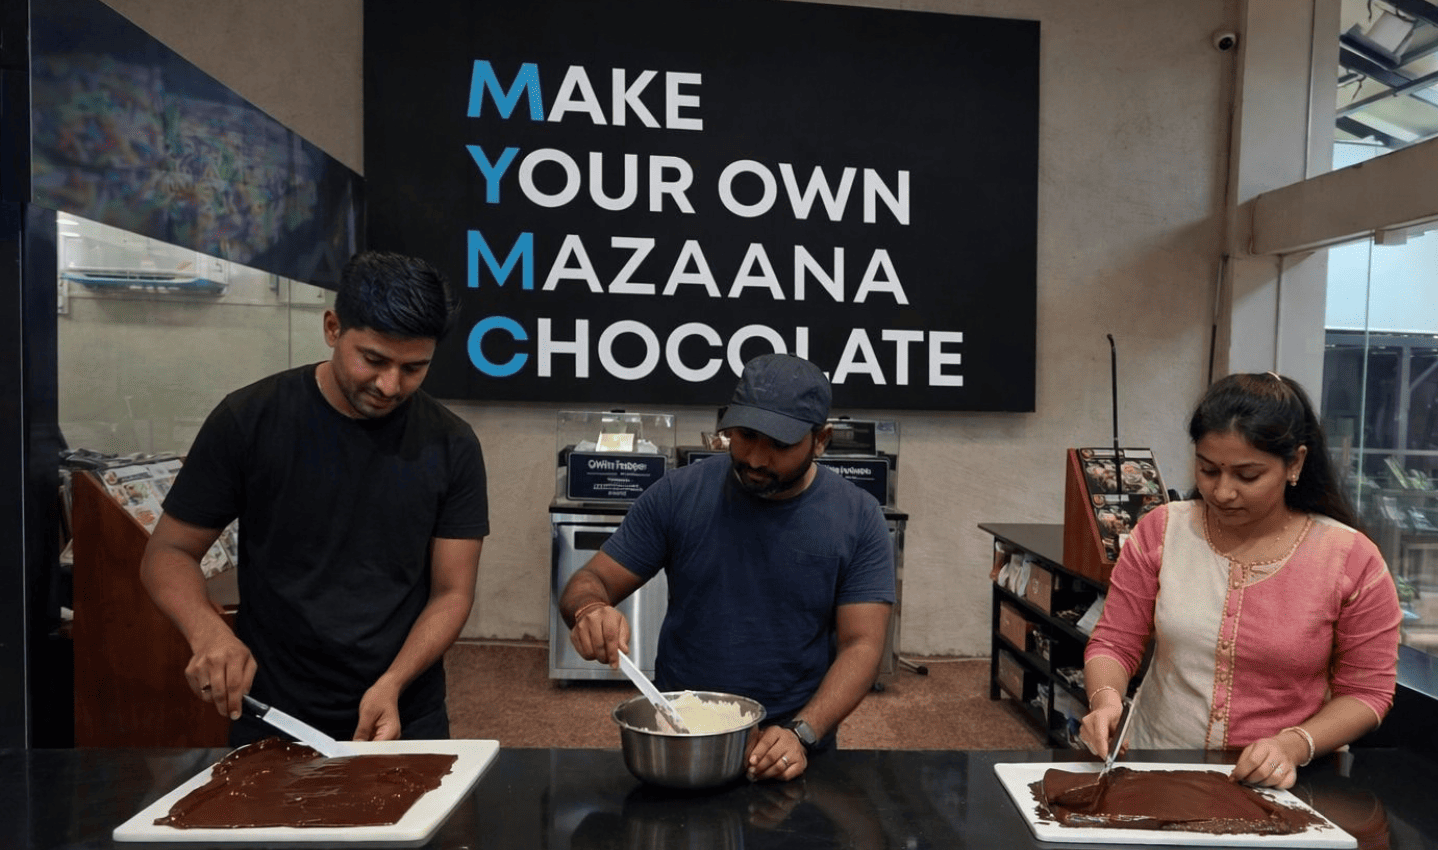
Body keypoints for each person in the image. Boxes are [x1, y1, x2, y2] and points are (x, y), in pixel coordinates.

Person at [140, 251, 489, 745]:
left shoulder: (453, 444)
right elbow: (168, 553)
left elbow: (452, 592)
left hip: (404, 707)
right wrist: (208, 630)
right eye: (373, 360)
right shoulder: (249, 420)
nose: (390, 385)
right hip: (274, 709)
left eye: (414, 368)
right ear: (332, 328)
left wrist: (393, 682)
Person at [559, 353, 896, 782]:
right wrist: (590, 610)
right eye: (746, 436)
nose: (756, 459)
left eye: (779, 444)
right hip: (683, 733)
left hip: (792, 740)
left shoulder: (858, 517)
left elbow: (862, 645)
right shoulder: (678, 495)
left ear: (821, 440)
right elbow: (590, 581)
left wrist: (804, 731)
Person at [1080, 372, 1401, 789]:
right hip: (1159, 763)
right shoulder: (1162, 531)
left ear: (1295, 463)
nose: (1222, 492)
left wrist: (1292, 744)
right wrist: (1105, 700)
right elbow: (1114, 641)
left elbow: (1367, 691)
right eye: (1208, 470)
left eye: (1247, 476)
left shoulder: (1351, 559)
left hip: (1284, 783)